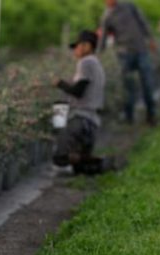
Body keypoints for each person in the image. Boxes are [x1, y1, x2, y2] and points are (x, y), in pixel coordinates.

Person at [53, 30, 112, 175]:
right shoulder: (96, 63)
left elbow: (78, 91)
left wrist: (59, 83)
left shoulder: (86, 62)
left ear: (87, 46)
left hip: (80, 120)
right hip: (92, 122)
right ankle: (93, 162)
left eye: (77, 46)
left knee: (60, 157)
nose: (75, 50)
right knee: (78, 168)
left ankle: (97, 162)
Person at [99, 0, 158, 126]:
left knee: (147, 83)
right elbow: (103, 39)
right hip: (124, 54)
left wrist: (150, 38)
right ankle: (129, 117)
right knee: (128, 87)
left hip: (141, 50)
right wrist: (98, 56)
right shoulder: (106, 17)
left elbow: (143, 23)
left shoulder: (129, 6)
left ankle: (151, 115)